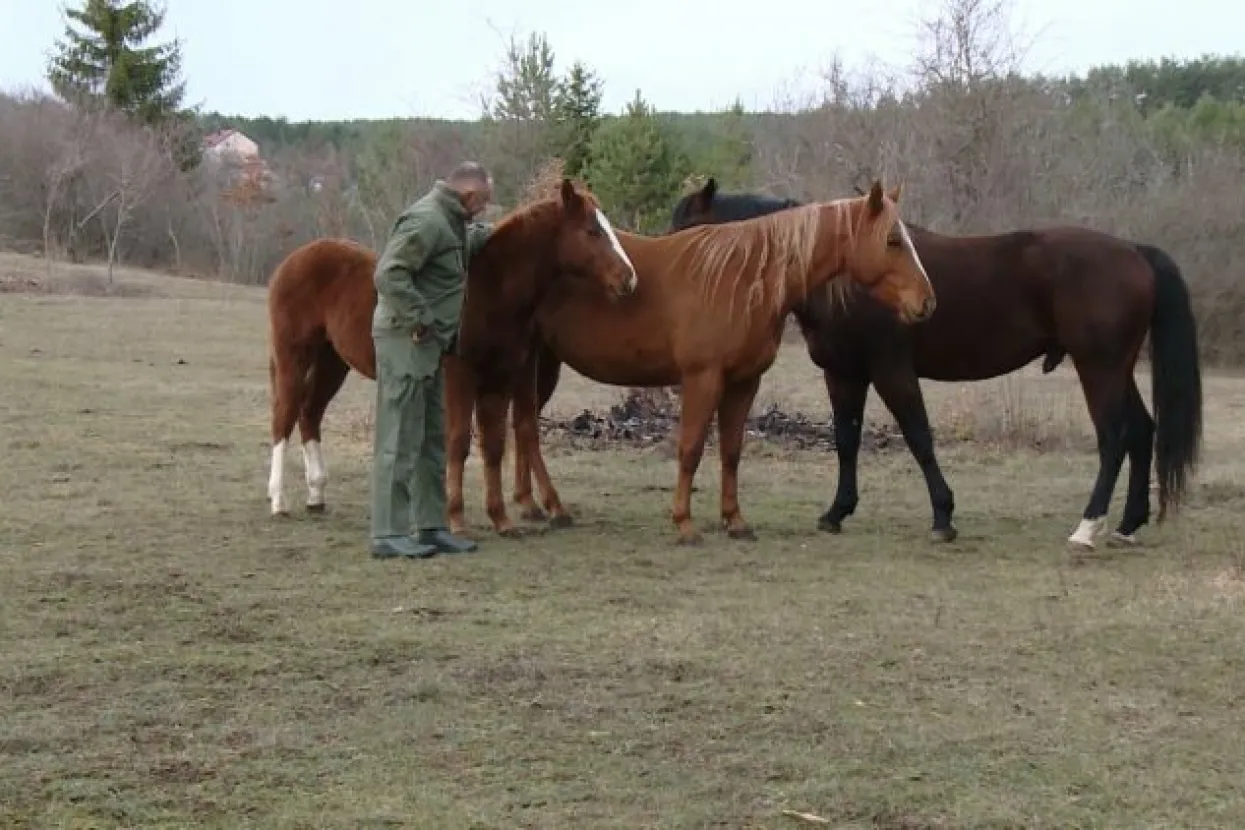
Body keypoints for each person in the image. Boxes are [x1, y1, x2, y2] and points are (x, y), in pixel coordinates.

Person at [369, 162, 495, 559]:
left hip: (430, 346)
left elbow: (459, 248)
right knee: (399, 437)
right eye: (484, 202)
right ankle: (388, 532)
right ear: (468, 195)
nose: (484, 209)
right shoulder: (426, 220)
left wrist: (508, 230)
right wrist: (421, 319)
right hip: (407, 338)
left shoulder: (450, 222)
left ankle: (430, 525)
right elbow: (389, 275)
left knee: (431, 438)